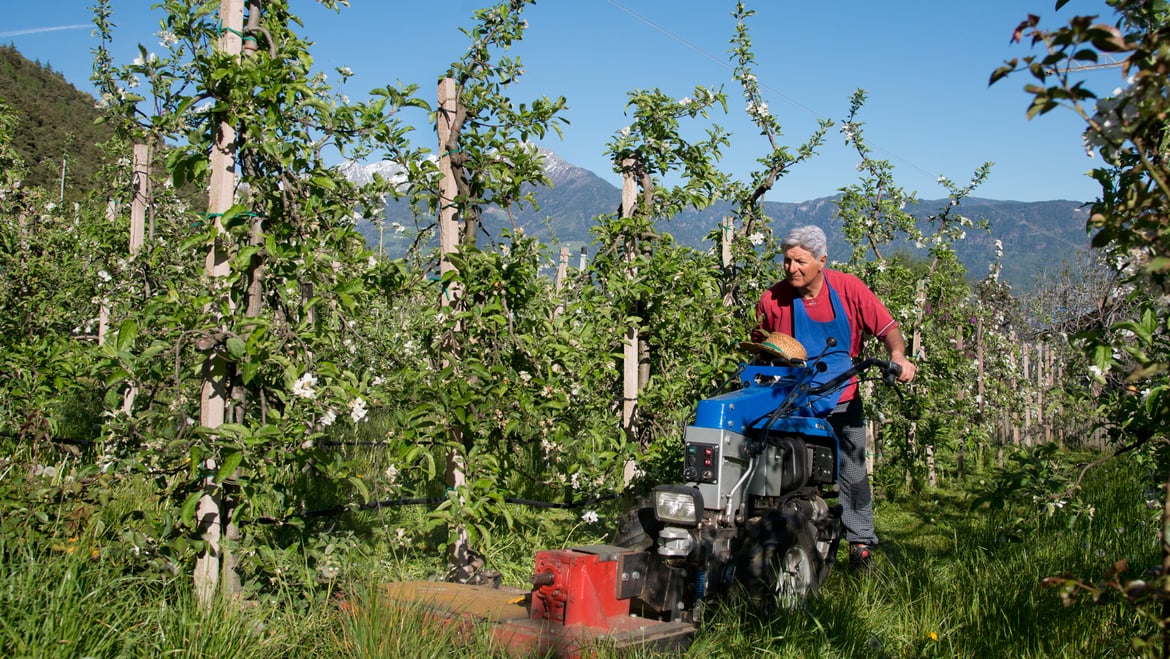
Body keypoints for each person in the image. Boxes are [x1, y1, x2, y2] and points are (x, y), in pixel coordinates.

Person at [751, 225, 916, 570]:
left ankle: (861, 545)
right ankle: (788, 535)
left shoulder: (848, 289)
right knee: (784, 468)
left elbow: (888, 329)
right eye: (787, 261)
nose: (792, 268)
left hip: (841, 391)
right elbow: (759, 347)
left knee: (852, 471)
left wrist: (898, 357)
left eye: (800, 261)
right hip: (791, 397)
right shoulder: (773, 299)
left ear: (821, 260)